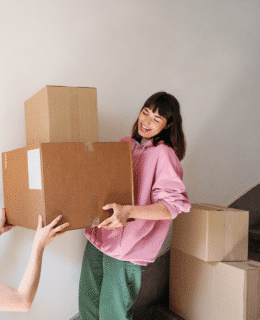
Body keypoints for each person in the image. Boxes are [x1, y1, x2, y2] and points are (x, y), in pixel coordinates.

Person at [78, 92, 191, 319]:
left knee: (113, 313)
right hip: (99, 236)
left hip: (129, 248)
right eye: (145, 112)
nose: (146, 121)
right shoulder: (125, 144)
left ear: (168, 125)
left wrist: (128, 211)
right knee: (87, 305)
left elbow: (171, 207)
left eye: (156, 119)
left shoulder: (164, 155)